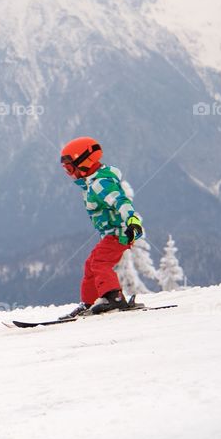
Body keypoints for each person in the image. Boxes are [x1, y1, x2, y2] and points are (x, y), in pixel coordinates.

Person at [59, 137, 144, 319]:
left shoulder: (100, 184)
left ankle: (114, 297)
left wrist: (133, 222)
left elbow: (121, 201)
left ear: (84, 162)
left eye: (69, 168)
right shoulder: (92, 182)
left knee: (99, 262)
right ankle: (89, 303)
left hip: (119, 233)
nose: (68, 173)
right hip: (110, 234)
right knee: (91, 265)